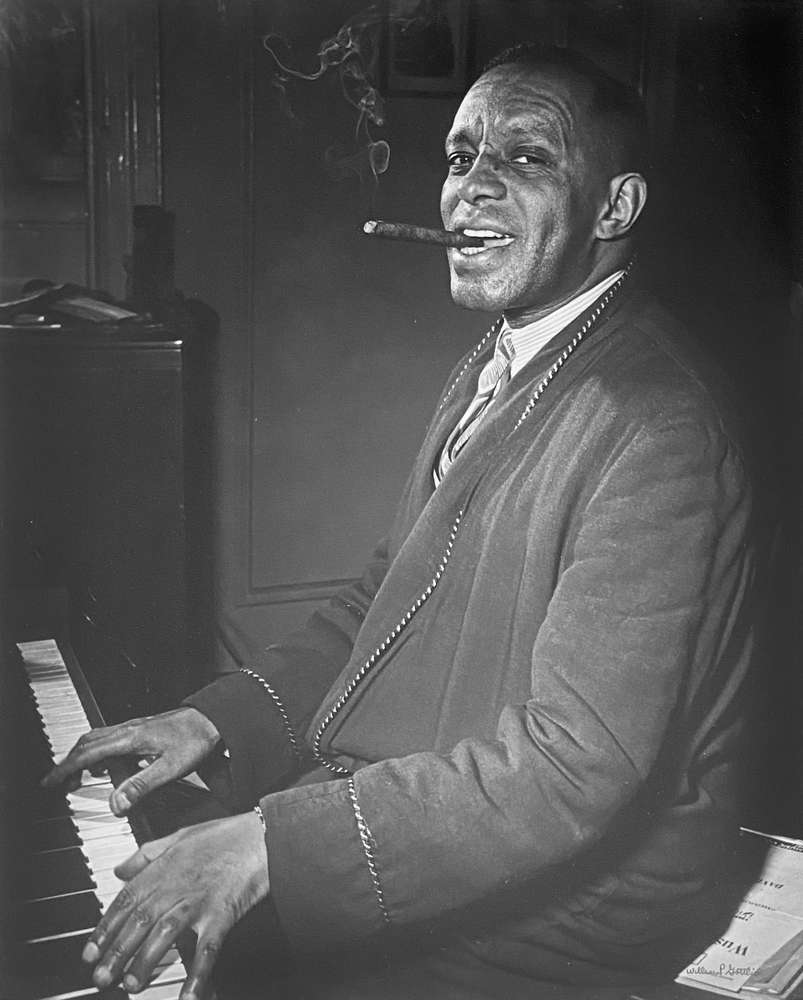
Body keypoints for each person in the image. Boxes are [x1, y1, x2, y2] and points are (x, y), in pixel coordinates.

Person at [44, 43, 761, 999]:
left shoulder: (655, 422)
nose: (470, 190)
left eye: (525, 159)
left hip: (591, 909)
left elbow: (573, 765)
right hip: (479, 822)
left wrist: (269, 847)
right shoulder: (497, 360)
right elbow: (388, 593)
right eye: (461, 158)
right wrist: (212, 721)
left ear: (616, 209)